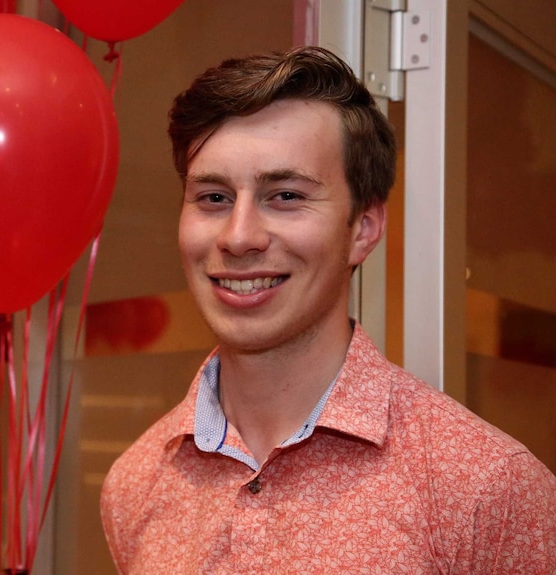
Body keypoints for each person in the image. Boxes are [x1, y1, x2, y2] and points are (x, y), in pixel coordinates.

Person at [100, 45, 556, 574]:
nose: (239, 236)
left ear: (363, 229)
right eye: (214, 198)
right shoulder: (135, 483)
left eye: (286, 196)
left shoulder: (484, 488)